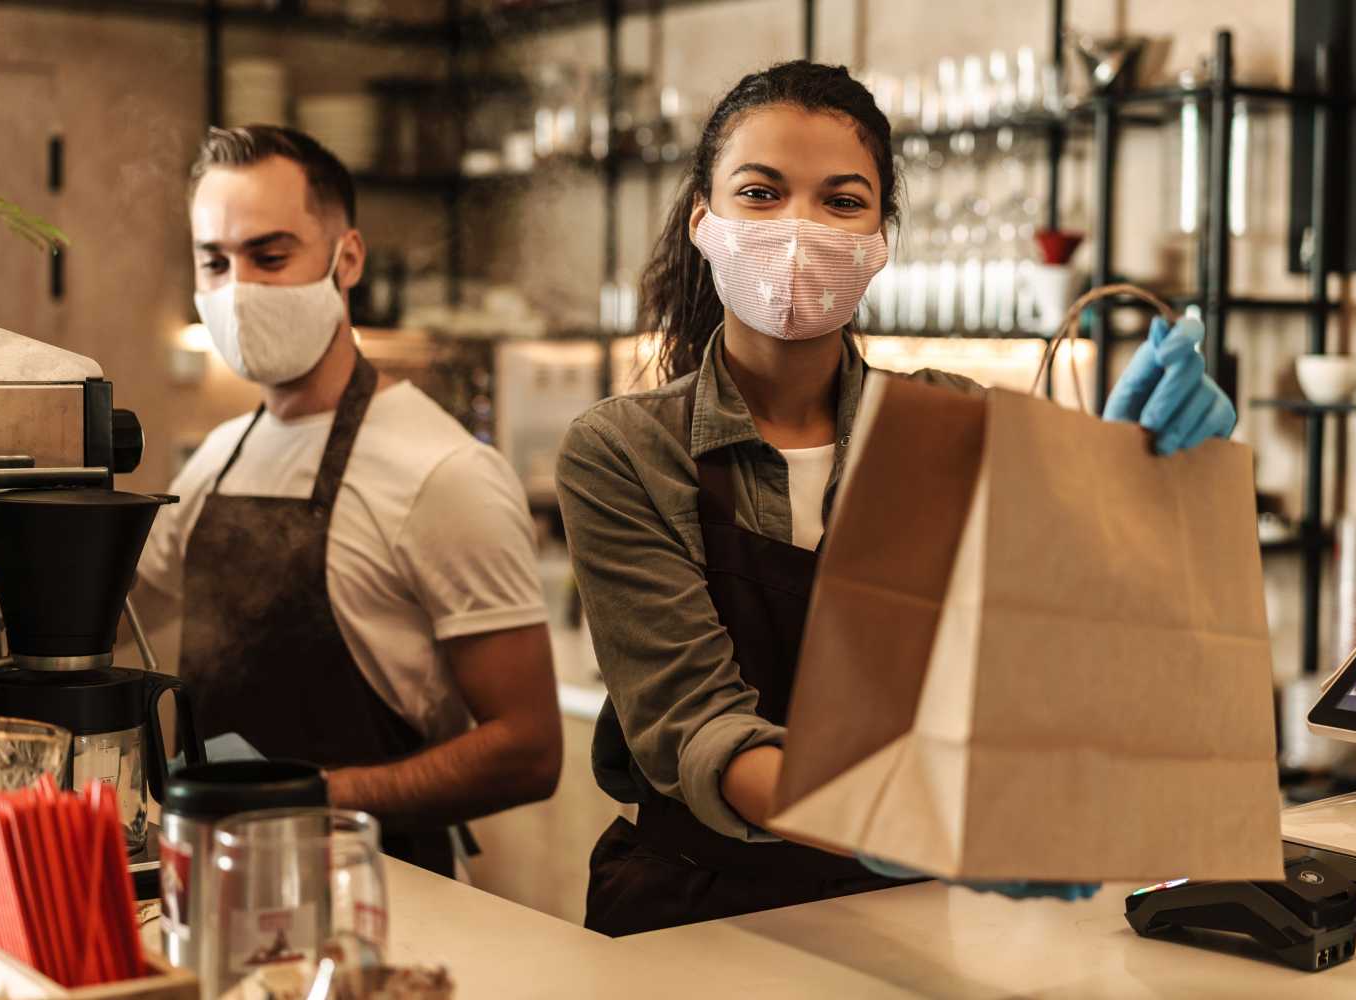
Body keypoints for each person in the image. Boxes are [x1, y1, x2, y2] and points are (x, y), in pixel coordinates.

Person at [555, 62, 1235, 936]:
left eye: (841, 201)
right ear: (703, 221)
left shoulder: (948, 420)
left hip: (903, 920)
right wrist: (899, 825)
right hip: (693, 915)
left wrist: (1157, 473)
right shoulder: (624, 451)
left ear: (880, 239)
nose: (798, 228)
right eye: (760, 193)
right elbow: (699, 728)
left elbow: (1085, 631)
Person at [136, 125, 562, 877]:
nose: (241, 290)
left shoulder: (444, 473)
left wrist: (305, 797)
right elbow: (120, 614)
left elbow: (528, 750)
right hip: (216, 875)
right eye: (215, 263)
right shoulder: (216, 458)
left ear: (348, 259)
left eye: (270, 256)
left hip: (385, 890)